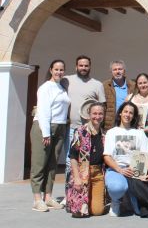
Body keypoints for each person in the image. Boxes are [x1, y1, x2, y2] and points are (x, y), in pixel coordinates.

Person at [30, 59, 71, 212]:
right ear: (51, 70)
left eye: (61, 70)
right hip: (44, 127)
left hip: (60, 127)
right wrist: (46, 133)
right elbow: (43, 111)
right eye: (56, 69)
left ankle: (48, 197)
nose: (59, 72)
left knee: (52, 164)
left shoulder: (61, 87)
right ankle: (37, 199)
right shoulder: (45, 87)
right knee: (39, 164)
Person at [103, 102, 148, 216]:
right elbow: (107, 156)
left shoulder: (139, 133)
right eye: (125, 111)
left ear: (134, 116)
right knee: (117, 188)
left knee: (140, 211)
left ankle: (131, 199)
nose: (128, 114)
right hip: (116, 169)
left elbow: (145, 154)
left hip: (136, 169)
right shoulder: (111, 132)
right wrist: (120, 170)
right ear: (120, 113)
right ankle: (115, 201)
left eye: (131, 113)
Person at [65, 103, 106, 217]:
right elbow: (73, 156)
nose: (97, 116)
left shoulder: (104, 134)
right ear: (89, 114)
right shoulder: (80, 132)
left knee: (97, 211)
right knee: (79, 213)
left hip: (98, 174)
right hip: (82, 173)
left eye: (100, 114)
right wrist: (77, 178)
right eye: (94, 113)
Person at [126, 73, 148, 157]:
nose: (143, 85)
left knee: (147, 160)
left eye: (145, 82)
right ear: (137, 85)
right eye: (140, 83)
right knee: (132, 160)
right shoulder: (130, 98)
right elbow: (123, 114)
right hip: (132, 132)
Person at [103, 60, 136, 129]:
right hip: (110, 124)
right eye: (115, 69)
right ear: (111, 72)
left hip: (128, 122)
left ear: (124, 71)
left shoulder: (133, 86)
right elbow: (102, 106)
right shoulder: (105, 86)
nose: (117, 71)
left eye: (120, 69)